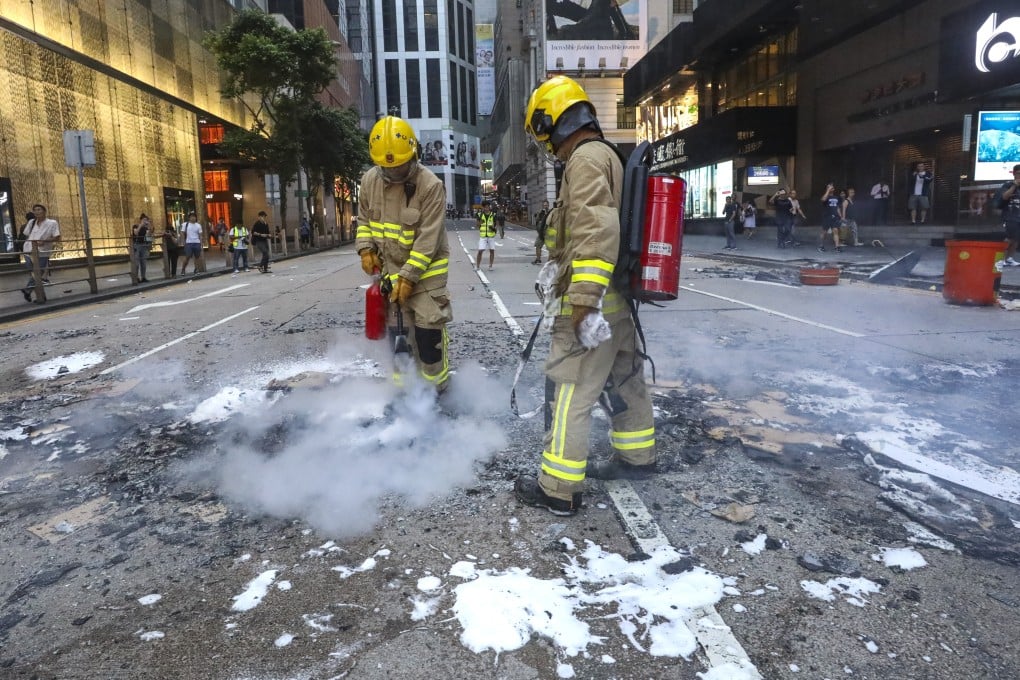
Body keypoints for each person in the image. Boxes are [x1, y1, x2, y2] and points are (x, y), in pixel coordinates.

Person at [516, 75, 656, 516]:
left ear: (552, 121)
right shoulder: (608, 154)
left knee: (569, 391)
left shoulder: (584, 160)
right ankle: (637, 457)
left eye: (544, 134)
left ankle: (557, 488)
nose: (549, 147)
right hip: (616, 305)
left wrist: (581, 301)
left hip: (592, 306)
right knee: (625, 379)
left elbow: (597, 230)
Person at [355, 115, 453, 392]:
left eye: (398, 167)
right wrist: (365, 249)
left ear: (414, 153)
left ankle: (437, 388)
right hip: (390, 273)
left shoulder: (430, 186)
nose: (393, 173)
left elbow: (428, 240)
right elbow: (364, 221)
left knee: (426, 334)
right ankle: (404, 389)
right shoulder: (370, 181)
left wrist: (408, 278)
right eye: (387, 168)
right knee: (397, 334)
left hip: (426, 276)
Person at [20, 203, 60, 302]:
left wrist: (45, 241)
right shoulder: (31, 222)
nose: (37, 212)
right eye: (35, 210)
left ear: (44, 211)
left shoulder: (52, 223)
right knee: (34, 273)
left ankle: (28, 291)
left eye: (39, 209)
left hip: (42, 251)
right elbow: (26, 235)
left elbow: (57, 237)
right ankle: (41, 296)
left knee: (37, 272)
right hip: (28, 250)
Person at [996, 164, 1020, 267]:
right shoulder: (1007, 185)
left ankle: (1009, 258)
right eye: (1019, 173)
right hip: (1010, 215)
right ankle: (1000, 259)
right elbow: (1005, 197)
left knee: (1016, 238)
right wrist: (1014, 185)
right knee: (1009, 237)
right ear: (1014, 173)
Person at [819, 183, 843, 252]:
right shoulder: (826, 196)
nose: (832, 188)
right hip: (826, 217)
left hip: (835, 217)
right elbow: (823, 200)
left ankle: (837, 247)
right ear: (827, 189)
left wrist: (840, 215)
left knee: (836, 231)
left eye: (832, 187)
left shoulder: (836, 197)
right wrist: (828, 191)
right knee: (824, 232)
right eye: (830, 187)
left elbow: (838, 207)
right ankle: (821, 246)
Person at [180, 211, 203, 276]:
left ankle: (196, 269)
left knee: (197, 257)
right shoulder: (185, 224)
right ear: (189, 218)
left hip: (197, 243)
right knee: (187, 256)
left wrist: (201, 243)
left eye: (194, 216)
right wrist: (183, 241)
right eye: (192, 217)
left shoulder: (198, 225)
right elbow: (182, 232)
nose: (193, 218)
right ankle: (183, 269)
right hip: (188, 243)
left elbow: (200, 234)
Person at [130, 213, 152, 283]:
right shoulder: (135, 226)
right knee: (136, 263)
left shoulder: (146, 228)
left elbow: (148, 237)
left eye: (147, 220)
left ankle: (143, 277)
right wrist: (141, 225)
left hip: (144, 246)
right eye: (144, 220)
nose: (145, 221)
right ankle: (136, 278)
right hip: (136, 245)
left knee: (144, 263)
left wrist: (149, 228)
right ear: (141, 220)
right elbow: (136, 233)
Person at [475, 201, 497, 270]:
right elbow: (477, 225)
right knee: (480, 250)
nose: (487, 208)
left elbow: (496, 225)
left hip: (491, 236)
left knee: (492, 250)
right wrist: (480, 222)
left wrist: (494, 228)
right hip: (483, 236)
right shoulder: (479, 215)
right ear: (483, 207)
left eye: (488, 207)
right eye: (485, 207)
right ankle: (477, 266)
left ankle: (490, 266)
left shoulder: (493, 214)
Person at [533, 199, 550, 264]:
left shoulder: (551, 212)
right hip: (541, 233)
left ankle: (551, 260)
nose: (545, 206)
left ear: (548, 205)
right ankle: (538, 259)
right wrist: (539, 214)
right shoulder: (540, 212)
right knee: (537, 245)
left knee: (551, 248)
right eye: (544, 205)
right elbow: (537, 220)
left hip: (549, 233)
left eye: (546, 205)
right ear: (542, 205)